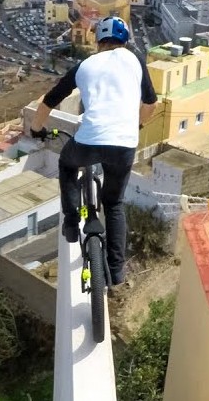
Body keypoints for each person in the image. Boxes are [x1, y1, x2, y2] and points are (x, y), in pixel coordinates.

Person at [30, 16, 157, 286]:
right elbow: (150, 104)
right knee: (114, 204)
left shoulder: (84, 65)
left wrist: (36, 129)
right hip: (123, 144)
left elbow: (50, 100)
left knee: (67, 164)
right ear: (124, 41)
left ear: (98, 41)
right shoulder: (135, 61)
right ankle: (117, 270)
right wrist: (137, 124)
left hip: (89, 142)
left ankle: (71, 221)